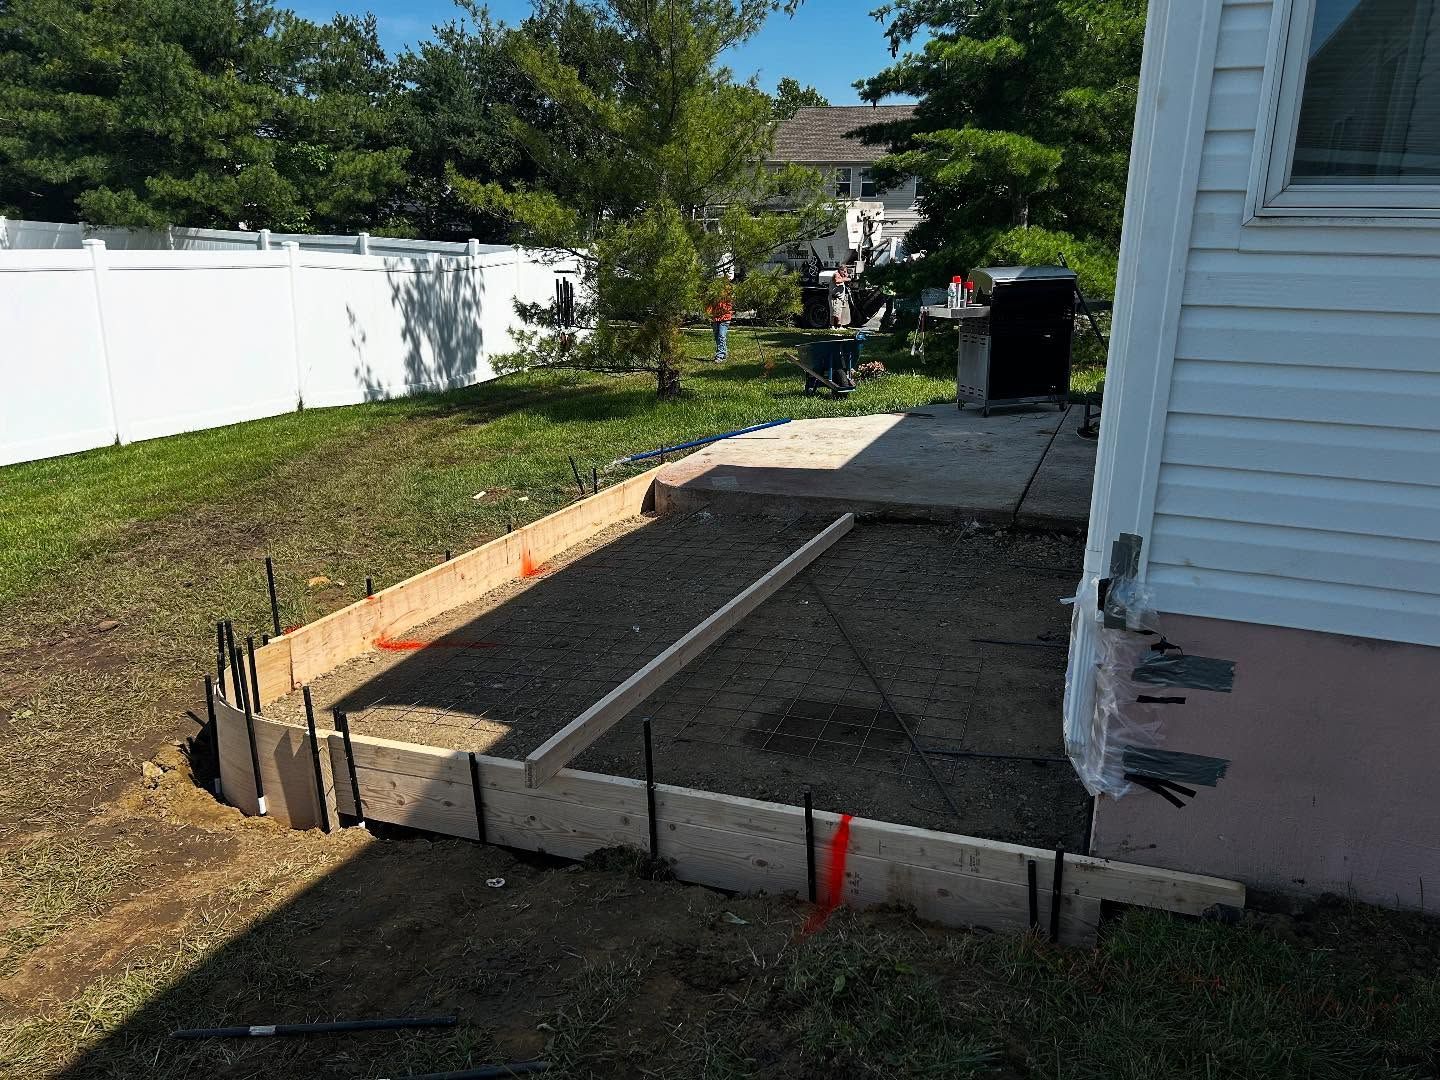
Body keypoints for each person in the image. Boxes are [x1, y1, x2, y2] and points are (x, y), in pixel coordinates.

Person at [705, 276, 734, 363]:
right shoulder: (713, 293)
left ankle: (720, 355)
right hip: (715, 317)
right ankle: (724, 353)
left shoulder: (727, 292)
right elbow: (709, 305)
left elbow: (729, 304)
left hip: (725, 317)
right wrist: (708, 313)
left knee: (721, 335)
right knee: (717, 336)